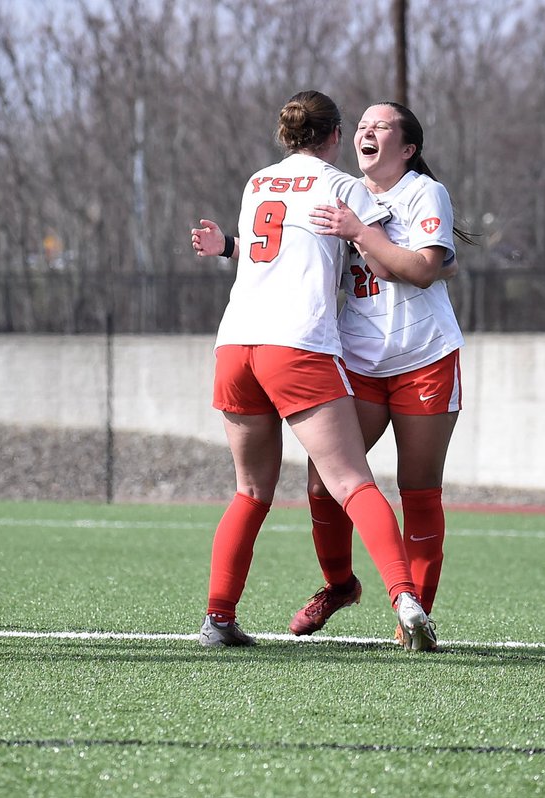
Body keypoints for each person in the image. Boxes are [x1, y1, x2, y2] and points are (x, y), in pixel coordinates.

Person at [194, 101, 469, 647]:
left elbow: (422, 269)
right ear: (339, 135)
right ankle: (347, 587)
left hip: (419, 355)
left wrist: (370, 236)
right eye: (362, 125)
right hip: (345, 355)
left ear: (407, 148)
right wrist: (231, 247)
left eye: (380, 127)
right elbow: (295, 249)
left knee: (414, 490)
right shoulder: (345, 189)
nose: (368, 132)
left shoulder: (420, 191)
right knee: (332, 483)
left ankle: (412, 614)